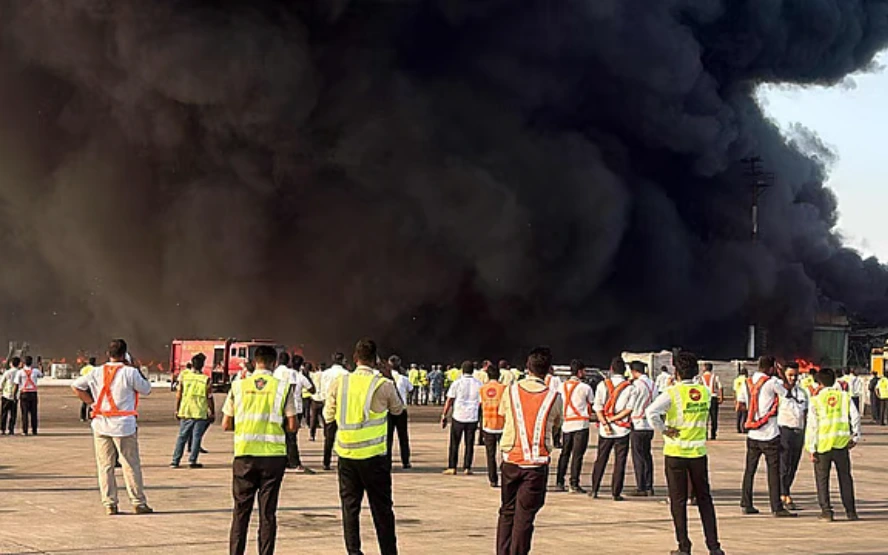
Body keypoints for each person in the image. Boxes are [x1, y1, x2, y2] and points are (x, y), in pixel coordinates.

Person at [324, 338, 403, 555]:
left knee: (350, 509)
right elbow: (398, 409)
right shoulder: (383, 384)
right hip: (374, 457)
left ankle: (354, 552)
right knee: (382, 510)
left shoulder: (340, 383)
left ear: (355, 358)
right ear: (376, 360)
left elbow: (328, 415)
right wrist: (388, 376)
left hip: (347, 455)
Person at [646, 351, 724, 555]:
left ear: (676, 371)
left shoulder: (672, 393)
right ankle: (714, 546)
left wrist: (664, 429)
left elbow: (651, 412)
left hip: (676, 451)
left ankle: (684, 545)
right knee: (705, 500)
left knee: (678, 501)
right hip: (698, 452)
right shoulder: (705, 392)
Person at [223, 344, 297, 555]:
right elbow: (292, 425)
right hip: (273, 458)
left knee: (240, 513)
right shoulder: (283, 387)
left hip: (244, 455)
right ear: (274, 363)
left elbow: (226, 424)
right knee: (267, 513)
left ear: (255, 362)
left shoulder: (238, 386)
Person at [71, 339, 153, 515]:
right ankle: (138, 502)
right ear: (125, 354)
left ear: (108, 354)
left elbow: (76, 386)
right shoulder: (130, 372)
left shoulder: (96, 372)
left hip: (101, 423)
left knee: (105, 466)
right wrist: (136, 367)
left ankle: (110, 504)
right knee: (130, 464)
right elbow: (146, 389)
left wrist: (92, 404)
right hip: (124, 426)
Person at [496, 346, 563, 555]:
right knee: (525, 516)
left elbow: (503, 413)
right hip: (535, 464)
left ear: (527, 366)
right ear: (549, 370)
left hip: (511, 460)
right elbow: (556, 424)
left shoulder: (510, 390)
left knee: (507, 511)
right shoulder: (554, 397)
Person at [741, 356, 796, 517]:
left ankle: (746, 502)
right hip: (770, 432)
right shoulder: (772, 382)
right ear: (772, 368)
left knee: (749, 470)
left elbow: (744, 401)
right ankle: (776, 507)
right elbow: (787, 392)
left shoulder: (748, 382)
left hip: (753, 432)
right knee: (773, 471)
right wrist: (781, 374)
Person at [805, 367, 860, 522]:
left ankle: (827, 511)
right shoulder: (844, 396)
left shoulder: (816, 400)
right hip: (841, 444)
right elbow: (855, 417)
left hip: (823, 445)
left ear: (819, 383)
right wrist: (855, 436)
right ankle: (851, 511)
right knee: (845, 478)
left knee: (822, 480)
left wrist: (811, 447)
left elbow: (812, 425)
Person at [589, 357, 638, 500]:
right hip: (622, 429)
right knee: (620, 461)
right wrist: (613, 420)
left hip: (605, 430)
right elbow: (628, 410)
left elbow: (597, 407)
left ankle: (594, 489)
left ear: (611, 369)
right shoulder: (630, 388)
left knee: (601, 459)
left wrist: (605, 422)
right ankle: (616, 492)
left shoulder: (602, 385)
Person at [554, 359, 594, 494]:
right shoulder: (585, 388)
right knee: (577, 455)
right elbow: (591, 403)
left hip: (566, 424)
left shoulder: (561, 386)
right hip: (581, 424)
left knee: (564, 453)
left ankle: (559, 481)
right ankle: (574, 483)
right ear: (580, 372)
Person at [170, 353, 215, 468]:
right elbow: (209, 397)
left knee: (182, 437)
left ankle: (175, 461)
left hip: (186, 411)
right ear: (203, 365)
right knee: (196, 437)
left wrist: (177, 409)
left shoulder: (185, 377)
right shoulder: (206, 380)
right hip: (200, 412)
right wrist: (212, 411)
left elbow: (179, 395)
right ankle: (192, 461)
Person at [273, 352, 315, 473]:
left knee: (283, 436)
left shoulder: (275, 372)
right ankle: (294, 462)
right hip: (294, 407)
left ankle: (285, 460)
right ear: (288, 362)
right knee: (291, 437)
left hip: (279, 407)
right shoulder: (291, 373)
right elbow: (291, 388)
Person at [442, 360, 482, 475]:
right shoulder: (478, 384)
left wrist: (444, 414)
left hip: (458, 416)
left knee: (454, 443)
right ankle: (467, 467)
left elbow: (450, 400)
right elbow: (481, 402)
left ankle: (452, 467)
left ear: (462, 370)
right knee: (469, 443)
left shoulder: (457, 383)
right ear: (473, 370)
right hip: (472, 417)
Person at [777, 363, 806, 511]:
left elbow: (805, 412)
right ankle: (783, 493)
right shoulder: (779, 392)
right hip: (784, 431)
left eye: (795, 375)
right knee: (784, 465)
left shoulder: (802, 392)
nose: (793, 378)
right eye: (790, 375)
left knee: (793, 465)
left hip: (798, 431)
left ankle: (786, 490)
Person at [628, 360, 657, 496]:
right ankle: (649, 485)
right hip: (649, 424)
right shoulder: (653, 384)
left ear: (634, 371)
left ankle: (641, 486)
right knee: (647, 455)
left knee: (638, 456)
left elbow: (631, 405)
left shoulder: (636, 385)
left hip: (637, 423)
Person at [320, 352, 351, 470]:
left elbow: (322, 391)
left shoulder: (325, 373)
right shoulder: (346, 374)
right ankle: (343, 462)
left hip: (329, 406)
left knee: (329, 437)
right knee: (343, 436)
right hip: (343, 408)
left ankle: (326, 462)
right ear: (342, 360)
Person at [480, 364, 507, 488]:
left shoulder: (482, 389)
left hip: (488, 425)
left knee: (490, 455)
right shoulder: (505, 389)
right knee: (506, 454)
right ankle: (506, 477)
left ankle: (493, 479)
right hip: (503, 425)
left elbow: (480, 406)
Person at [384, 355, 413, 469]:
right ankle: (405, 461)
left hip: (388, 411)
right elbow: (411, 390)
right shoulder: (404, 379)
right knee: (403, 437)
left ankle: (387, 461)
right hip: (401, 410)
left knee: (388, 438)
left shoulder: (385, 380)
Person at [16, 355, 43, 435]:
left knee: (24, 413)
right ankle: (34, 430)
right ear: (31, 363)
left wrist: (15, 395)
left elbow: (17, 384)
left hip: (24, 393)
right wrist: (40, 365)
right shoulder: (35, 371)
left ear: (24, 363)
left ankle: (25, 431)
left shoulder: (20, 372)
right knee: (34, 413)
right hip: (33, 393)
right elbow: (41, 375)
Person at [700, 363, 723, 440]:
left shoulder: (701, 378)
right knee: (714, 417)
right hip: (713, 397)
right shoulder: (715, 377)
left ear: (705, 368)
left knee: (704, 417)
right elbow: (720, 387)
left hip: (704, 398)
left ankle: (705, 433)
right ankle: (713, 434)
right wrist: (721, 397)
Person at [0, 357, 20, 435]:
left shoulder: (7, 372)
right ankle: (11, 429)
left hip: (6, 394)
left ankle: (3, 429)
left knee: (4, 413)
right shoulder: (19, 372)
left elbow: (2, 383)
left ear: (11, 364)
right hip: (15, 396)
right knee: (13, 414)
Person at [307, 362, 325, 442]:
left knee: (313, 418)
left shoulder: (314, 375)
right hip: (323, 399)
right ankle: (326, 434)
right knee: (325, 419)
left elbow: (307, 374)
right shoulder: (326, 375)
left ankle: (312, 435)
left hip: (315, 399)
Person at [79, 357, 97, 421]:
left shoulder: (84, 369)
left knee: (84, 402)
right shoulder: (94, 369)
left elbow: (80, 376)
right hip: (91, 386)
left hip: (84, 386)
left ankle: (82, 417)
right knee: (92, 401)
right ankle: (90, 416)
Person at [733, 367, 748, 433]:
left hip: (738, 397)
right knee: (744, 414)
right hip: (744, 398)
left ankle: (738, 428)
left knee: (738, 414)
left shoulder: (736, 380)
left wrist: (735, 399)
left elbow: (734, 390)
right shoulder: (747, 380)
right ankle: (743, 428)